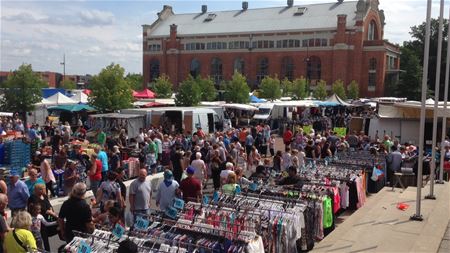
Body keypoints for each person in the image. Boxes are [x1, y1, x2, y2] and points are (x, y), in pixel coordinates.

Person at [27, 184, 58, 251]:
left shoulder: (44, 196)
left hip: (47, 218)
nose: (43, 190)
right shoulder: (33, 198)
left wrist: (51, 210)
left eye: (44, 188)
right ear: (36, 190)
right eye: (41, 189)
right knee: (41, 238)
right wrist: (49, 212)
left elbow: (48, 204)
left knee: (46, 237)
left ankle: (47, 250)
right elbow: (37, 208)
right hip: (38, 220)